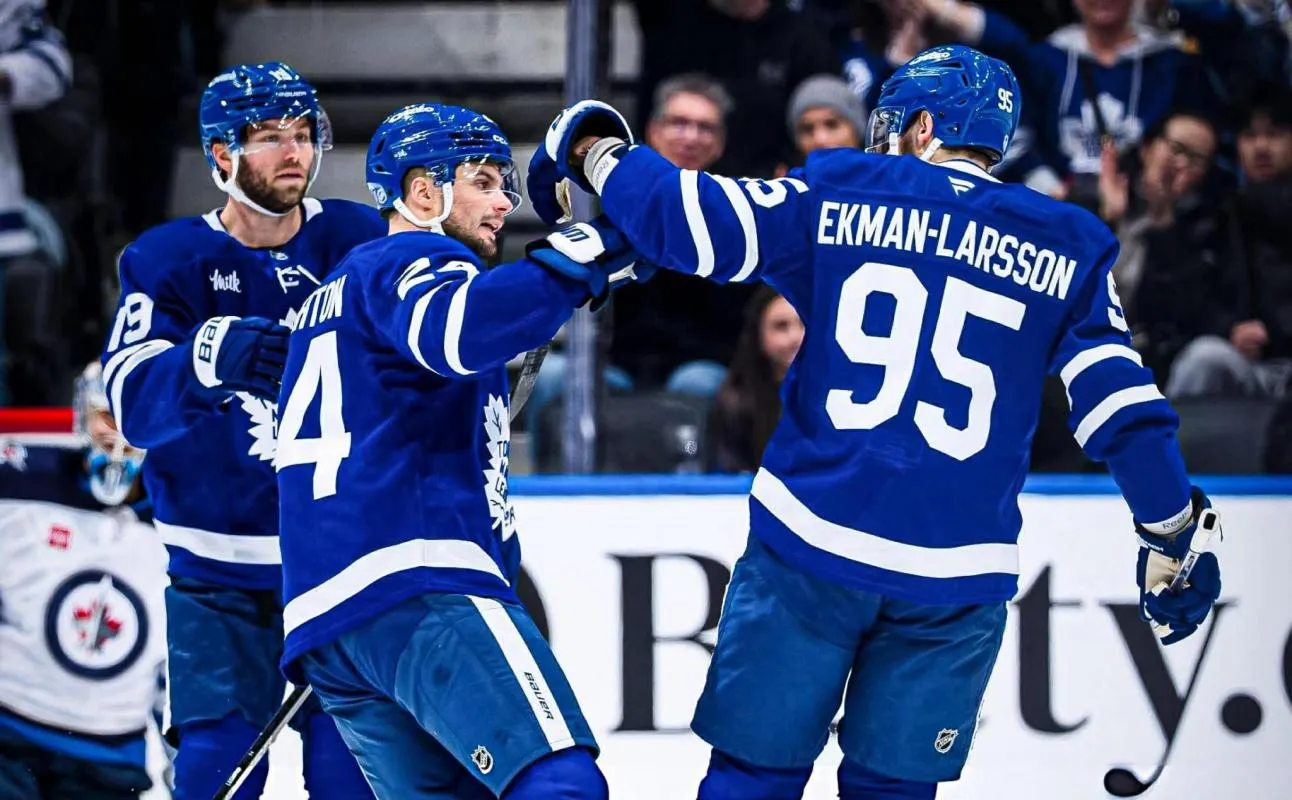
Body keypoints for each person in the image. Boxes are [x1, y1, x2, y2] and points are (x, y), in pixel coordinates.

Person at [528, 45, 1224, 798]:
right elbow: (1123, 409)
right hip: (957, 574)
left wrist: (592, 144)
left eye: (890, 127)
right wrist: (1172, 531)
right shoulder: (1072, 243)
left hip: (811, 545)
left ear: (922, 126)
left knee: (751, 780)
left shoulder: (840, 188)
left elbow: (681, 219)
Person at [275, 102, 647, 799]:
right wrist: (580, 256)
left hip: (329, 623)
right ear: (422, 192)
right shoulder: (414, 255)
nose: (504, 201)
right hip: (418, 581)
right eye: (483, 180)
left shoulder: (333, 295)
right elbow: (455, 330)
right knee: (561, 783)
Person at [98, 62, 383, 799]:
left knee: (350, 778)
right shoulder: (165, 261)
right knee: (213, 775)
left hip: (337, 569)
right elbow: (131, 408)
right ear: (221, 155)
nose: (294, 153)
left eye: (302, 134)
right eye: (267, 138)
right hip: (216, 576)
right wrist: (201, 360)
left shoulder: (356, 237)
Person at [0, 363, 166, 799]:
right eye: (108, 415)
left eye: (135, 415)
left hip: (110, 758)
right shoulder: (19, 479)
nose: (120, 434)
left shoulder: (185, 518)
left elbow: (184, 668)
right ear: (81, 412)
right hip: (8, 736)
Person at [707, 286, 804, 473]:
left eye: (804, 325)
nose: (795, 337)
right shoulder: (735, 400)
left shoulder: (839, 395)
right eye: (781, 326)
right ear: (758, 334)